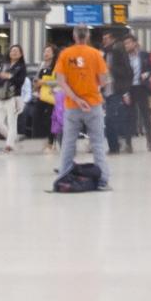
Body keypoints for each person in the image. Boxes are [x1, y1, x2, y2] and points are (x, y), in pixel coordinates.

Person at [54, 28, 111, 189]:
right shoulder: (96, 54)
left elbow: (61, 81)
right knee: (98, 143)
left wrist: (77, 99)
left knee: (68, 143)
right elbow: (103, 80)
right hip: (93, 104)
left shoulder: (65, 55)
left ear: (73, 36)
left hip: (72, 106)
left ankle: (63, 176)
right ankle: (102, 180)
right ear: (87, 36)